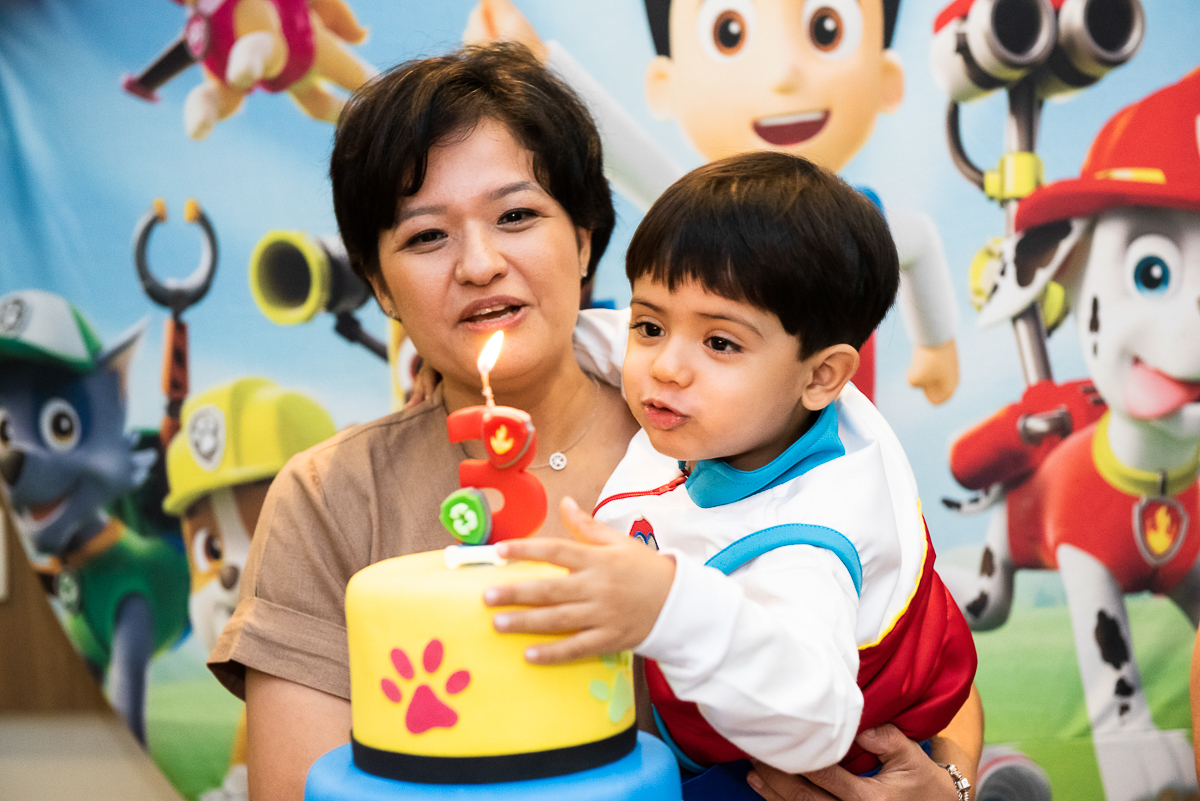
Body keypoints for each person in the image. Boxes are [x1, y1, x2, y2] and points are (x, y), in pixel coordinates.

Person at [206, 43, 981, 801]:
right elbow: (297, 784)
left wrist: (946, 783)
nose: (478, 263)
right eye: (426, 235)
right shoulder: (333, 498)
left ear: (583, 239)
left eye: (515, 215)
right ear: (378, 281)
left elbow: (896, 626)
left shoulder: (735, 428)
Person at [484, 152, 976, 799]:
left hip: (777, 771)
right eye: (651, 324)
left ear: (822, 376)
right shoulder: (744, 406)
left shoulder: (803, 544)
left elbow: (817, 722)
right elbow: (611, 338)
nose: (666, 367)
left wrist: (667, 608)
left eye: (720, 343)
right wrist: (528, 345)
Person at [464, 0, 960, 405]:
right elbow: (636, 160)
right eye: (729, 32)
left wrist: (937, 344)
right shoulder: (716, 216)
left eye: (826, 29)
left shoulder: (862, 224)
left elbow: (916, 241)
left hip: (839, 441)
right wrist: (540, 70)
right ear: (666, 85)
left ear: (888, 77)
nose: (784, 75)